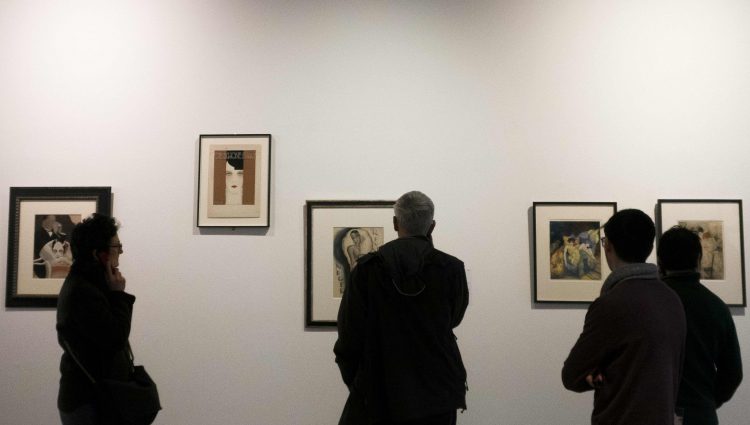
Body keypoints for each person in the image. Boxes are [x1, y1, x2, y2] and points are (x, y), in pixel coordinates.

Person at [334, 191, 468, 425]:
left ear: (395, 223)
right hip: (436, 395)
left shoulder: (367, 270)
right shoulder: (451, 268)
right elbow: (453, 319)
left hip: (379, 392)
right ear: (432, 226)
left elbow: (349, 337)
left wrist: (361, 384)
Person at [561, 209, 686, 425]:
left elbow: (572, 375)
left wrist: (600, 377)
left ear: (608, 245)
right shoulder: (671, 299)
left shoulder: (611, 304)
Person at [657, 226, 743, 424]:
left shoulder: (650, 302)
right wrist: (708, 400)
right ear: (699, 259)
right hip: (700, 413)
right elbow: (733, 373)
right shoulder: (716, 306)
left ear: (661, 261)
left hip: (655, 411)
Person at [56, 213, 133, 424]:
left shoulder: (86, 284)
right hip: (88, 401)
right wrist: (118, 295)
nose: (121, 252)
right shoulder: (83, 292)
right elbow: (115, 338)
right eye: (117, 247)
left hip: (91, 397)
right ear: (100, 254)